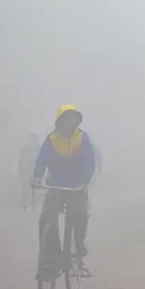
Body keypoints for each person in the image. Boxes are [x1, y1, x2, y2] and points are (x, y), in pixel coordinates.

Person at [32, 104, 95, 267]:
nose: (69, 123)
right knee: (47, 218)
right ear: (59, 121)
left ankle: (79, 244)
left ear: (76, 121)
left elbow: (89, 160)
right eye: (66, 119)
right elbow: (42, 159)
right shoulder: (51, 139)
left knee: (80, 214)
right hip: (56, 186)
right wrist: (37, 176)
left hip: (76, 186)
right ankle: (50, 254)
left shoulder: (82, 138)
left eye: (72, 119)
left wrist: (85, 180)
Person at [18, 133, 40, 210]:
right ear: (30, 139)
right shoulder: (24, 148)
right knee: (25, 188)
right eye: (32, 138)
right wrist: (20, 171)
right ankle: (25, 204)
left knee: (35, 189)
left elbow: (41, 160)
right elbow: (20, 160)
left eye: (35, 138)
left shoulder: (38, 148)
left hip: (35, 171)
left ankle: (33, 204)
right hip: (26, 171)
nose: (33, 140)